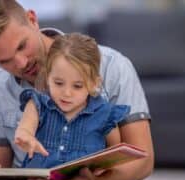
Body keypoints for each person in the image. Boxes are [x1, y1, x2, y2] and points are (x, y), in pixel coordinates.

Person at [0, 0, 154, 180]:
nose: (21, 63)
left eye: (22, 46)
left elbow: (142, 160)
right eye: (4, 61)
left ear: (32, 19)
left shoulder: (112, 66)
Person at [14, 33, 130, 169]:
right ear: (47, 77)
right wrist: (26, 137)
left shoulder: (104, 114)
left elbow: (114, 154)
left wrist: (104, 169)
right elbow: (25, 129)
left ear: (94, 83)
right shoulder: (38, 104)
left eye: (77, 86)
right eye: (58, 83)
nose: (67, 93)